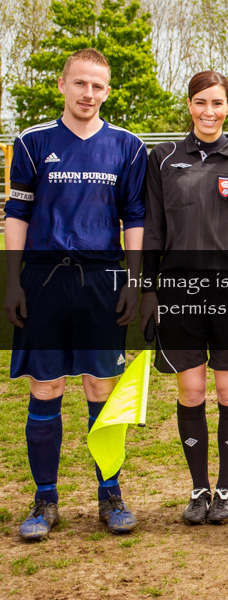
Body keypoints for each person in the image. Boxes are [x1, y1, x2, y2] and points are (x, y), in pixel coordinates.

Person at [4, 48, 145, 540]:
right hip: (43, 280)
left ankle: (110, 494)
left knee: (101, 388)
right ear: (62, 84)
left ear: (107, 91)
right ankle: (45, 499)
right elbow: (17, 214)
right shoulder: (32, 141)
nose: (88, 93)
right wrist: (12, 280)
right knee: (46, 387)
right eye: (80, 83)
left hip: (102, 279)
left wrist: (134, 279)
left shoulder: (127, 146)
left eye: (97, 86)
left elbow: (135, 217)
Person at [140, 71, 228, 525]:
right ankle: (199, 489)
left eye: (217, 102)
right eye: (201, 102)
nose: (209, 111)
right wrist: (149, 288)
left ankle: (227, 489)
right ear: (190, 105)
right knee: (192, 390)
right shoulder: (163, 158)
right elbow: (153, 228)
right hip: (178, 291)